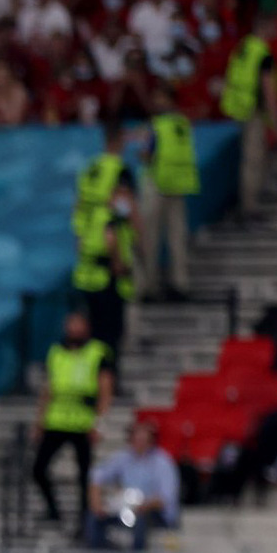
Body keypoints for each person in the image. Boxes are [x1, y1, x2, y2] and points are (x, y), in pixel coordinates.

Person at [30, 311, 114, 529]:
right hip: (56, 420)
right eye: (71, 324)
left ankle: (84, 520)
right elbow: (48, 388)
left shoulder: (98, 352)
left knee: (85, 474)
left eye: (78, 324)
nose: (74, 329)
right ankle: (53, 510)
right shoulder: (56, 352)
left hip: (82, 422)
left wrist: (99, 423)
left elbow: (105, 390)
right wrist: (39, 421)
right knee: (38, 469)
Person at [73, 183, 136, 388]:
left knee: (95, 337)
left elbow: (80, 243)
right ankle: (109, 380)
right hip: (107, 284)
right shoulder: (110, 218)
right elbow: (111, 241)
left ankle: (93, 379)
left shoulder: (91, 215)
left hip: (89, 282)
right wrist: (118, 264)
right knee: (110, 336)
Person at [137, 86, 196, 301]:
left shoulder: (157, 125)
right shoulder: (183, 124)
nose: (157, 102)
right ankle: (180, 282)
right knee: (177, 237)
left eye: (160, 97)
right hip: (178, 184)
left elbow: (146, 154)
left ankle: (149, 286)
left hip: (157, 183)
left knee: (150, 237)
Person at [220, 10, 277, 220]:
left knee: (253, 158)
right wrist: (275, 121)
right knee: (252, 160)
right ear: (266, 26)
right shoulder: (263, 52)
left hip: (239, 107)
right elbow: (268, 89)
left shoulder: (244, 46)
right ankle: (249, 209)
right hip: (254, 111)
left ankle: (251, 201)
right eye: (274, 25)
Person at [84, 420, 180, 551]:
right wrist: (96, 502)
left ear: (151, 440)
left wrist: (144, 506)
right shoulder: (123, 457)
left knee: (140, 520)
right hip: (126, 510)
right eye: (136, 438)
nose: (139, 442)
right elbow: (97, 475)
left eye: (143, 439)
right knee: (95, 517)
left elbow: (166, 498)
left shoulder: (163, 462)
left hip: (153, 513)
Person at [72, 122, 131, 241]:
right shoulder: (120, 169)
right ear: (120, 141)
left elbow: (79, 205)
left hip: (87, 240)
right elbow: (125, 208)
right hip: (111, 240)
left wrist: (79, 236)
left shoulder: (89, 168)